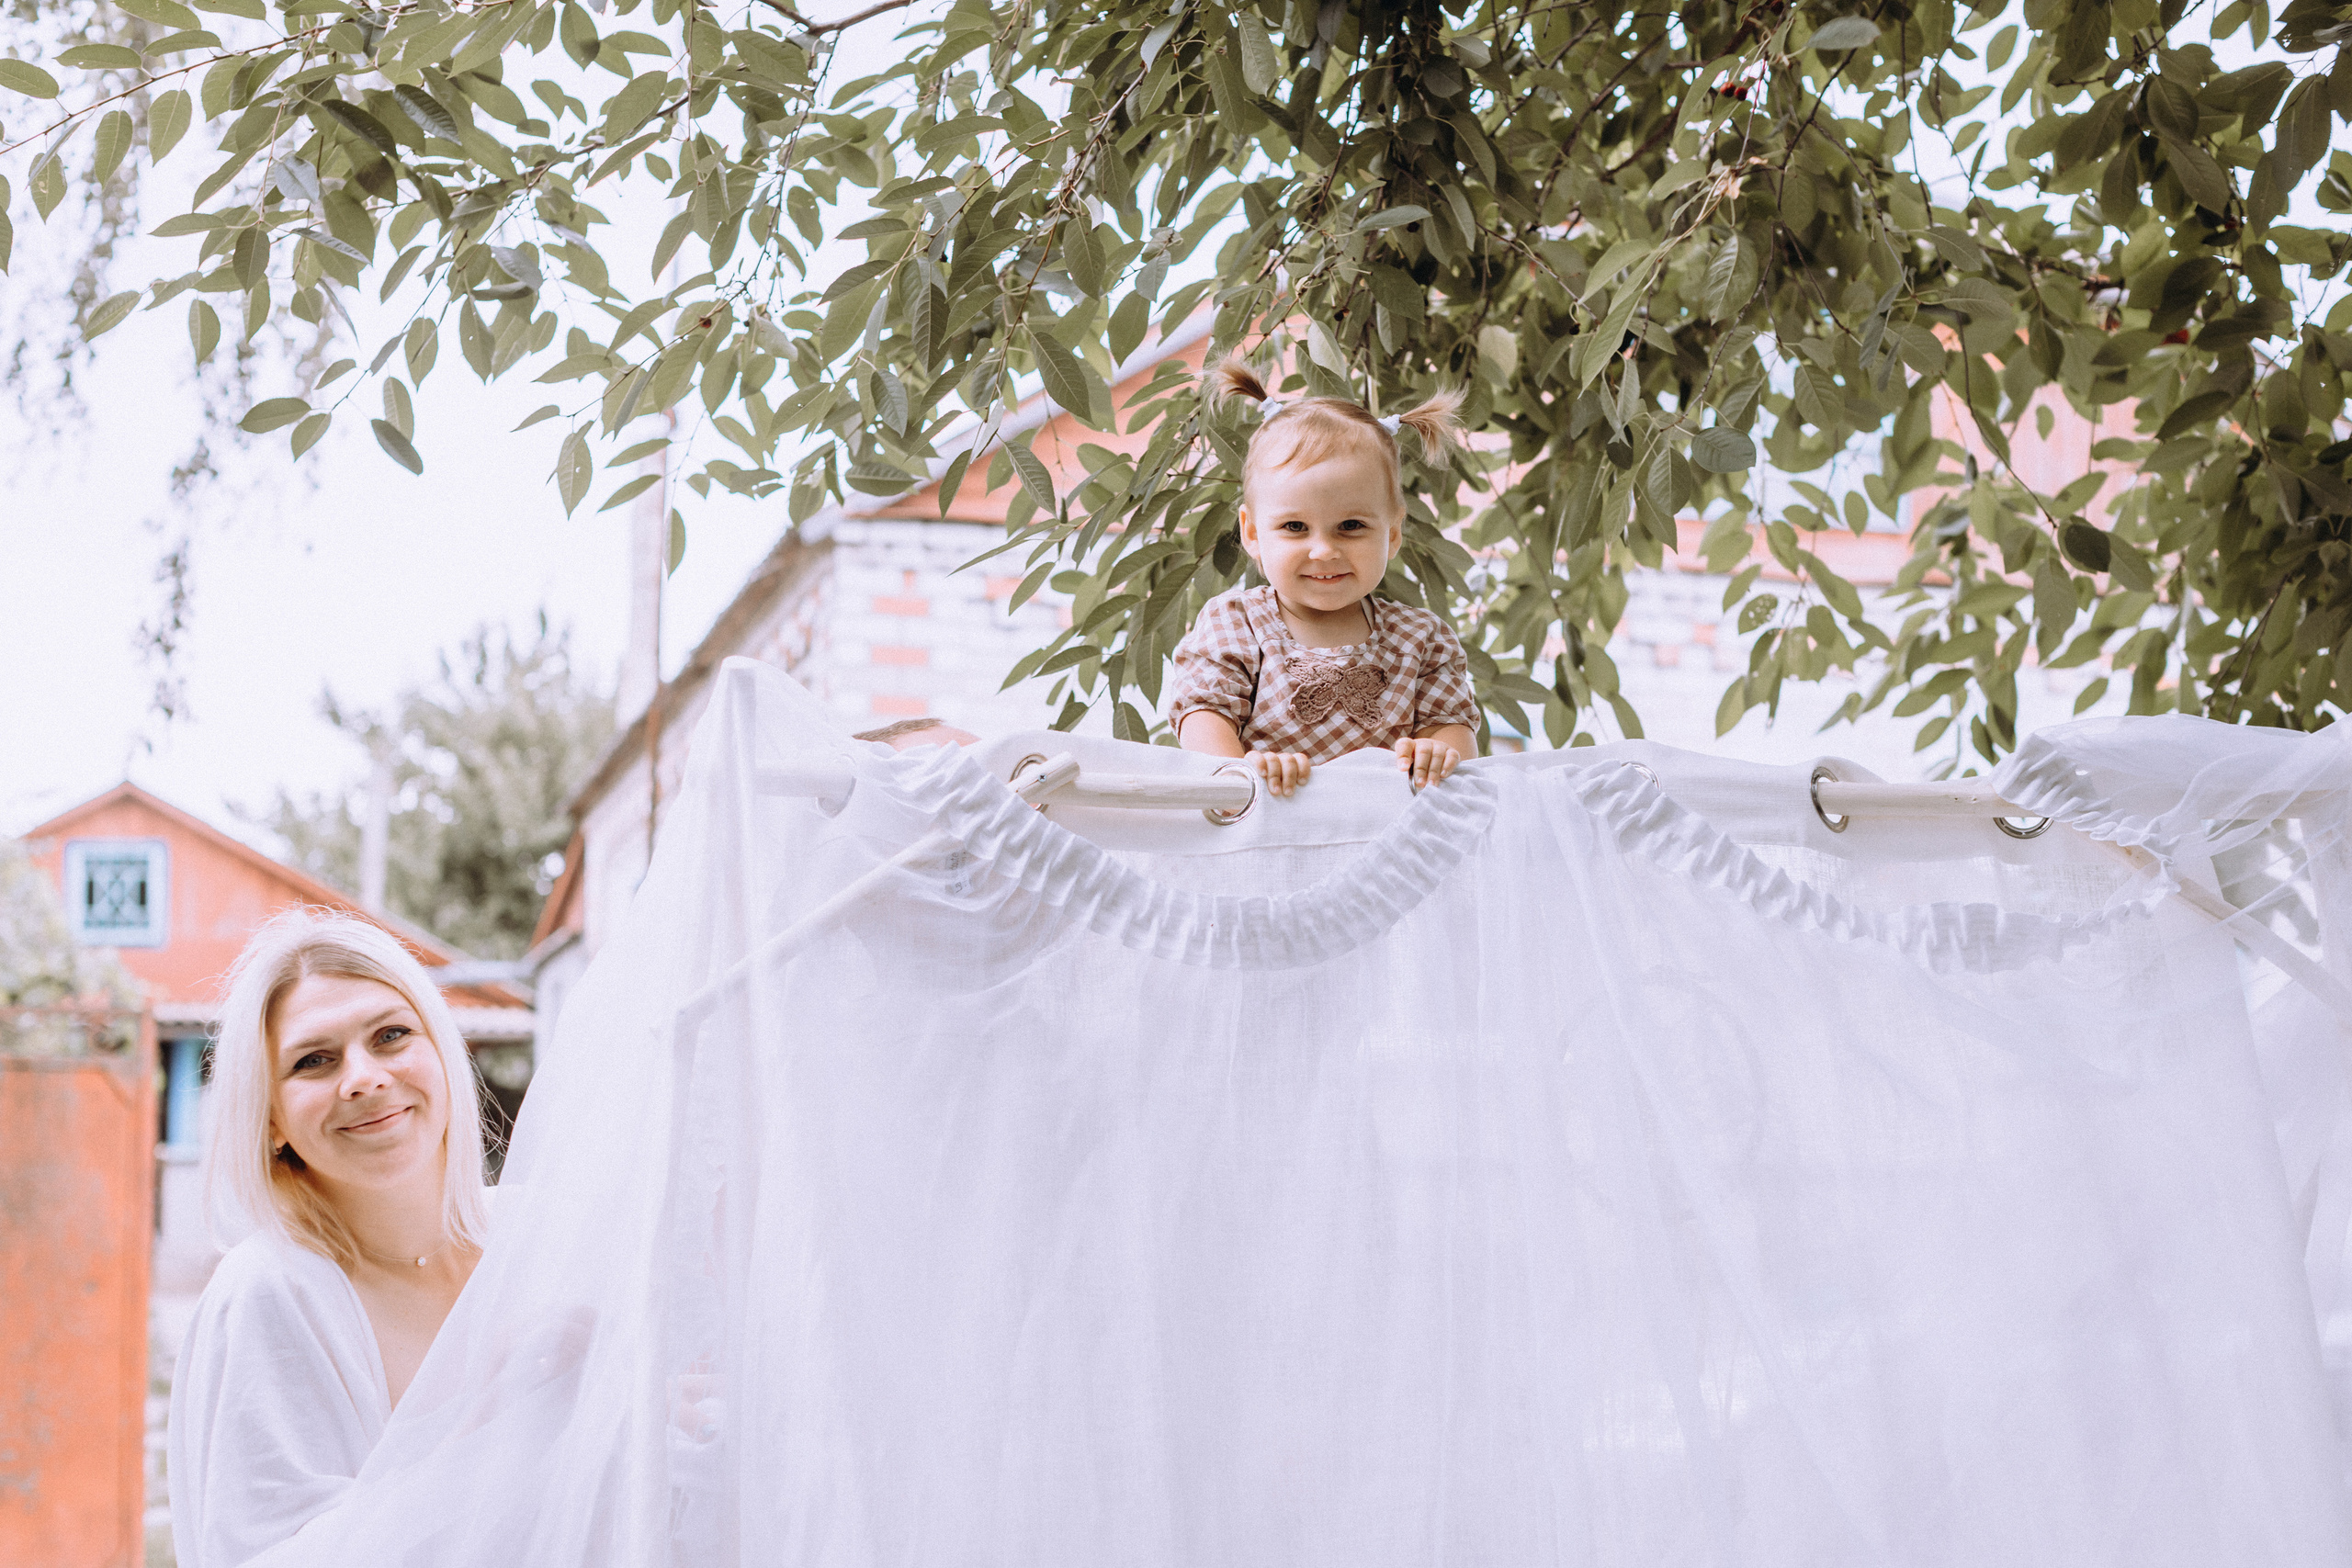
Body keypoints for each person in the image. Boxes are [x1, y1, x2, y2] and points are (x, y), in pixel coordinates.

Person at [168, 908, 493, 1568]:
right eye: (314, 1060)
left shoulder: (543, 1238)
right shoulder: (266, 1295)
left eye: (391, 1035)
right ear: (270, 1119)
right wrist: (515, 1424)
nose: (364, 1077)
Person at [1168, 358, 1480, 797]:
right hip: (1268, 831)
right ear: (1253, 534)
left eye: (1351, 526)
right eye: (1295, 527)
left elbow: (1453, 733)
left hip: (1388, 844)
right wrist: (1239, 773)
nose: (1324, 550)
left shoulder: (1422, 640)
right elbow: (1202, 718)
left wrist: (1439, 753)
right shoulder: (1237, 624)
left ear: (1391, 535)